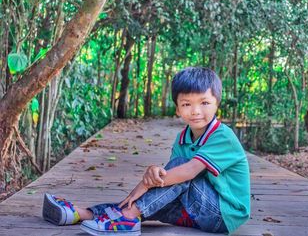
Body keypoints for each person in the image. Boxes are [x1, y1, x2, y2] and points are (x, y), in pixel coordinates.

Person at [43, 66, 250, 235]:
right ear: (178, 109)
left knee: (168, 178)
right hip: (195, 210)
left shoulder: (223, 136)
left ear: (217, 104)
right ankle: (82, 214)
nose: (196, 111)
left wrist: (145, 183)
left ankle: (128, 219)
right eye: (187, 104)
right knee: (143, 201)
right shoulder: (182, 138)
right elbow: (168, 180)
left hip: (223, 215)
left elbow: (186, 172)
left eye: (204, 103)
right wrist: (152, 173)